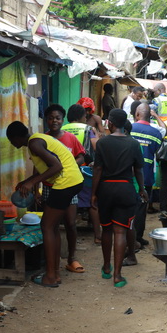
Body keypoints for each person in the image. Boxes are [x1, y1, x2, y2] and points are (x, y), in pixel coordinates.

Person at [6, 121, 83, 287]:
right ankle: (54, 273)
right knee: (52, 227)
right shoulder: (37, 140)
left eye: (11, 140)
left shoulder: (34, 143)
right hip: (72, 181)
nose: (12, 144)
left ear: (17, 137)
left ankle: (50, 276)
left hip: (65, 182)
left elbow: (56, 166)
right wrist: (27, 181)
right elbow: (47, 167)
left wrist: (32, 182)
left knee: (46, 227)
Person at [91, 109, 146, 288]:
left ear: (111, 123)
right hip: (125, 189)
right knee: (120, 232)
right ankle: (117, 275)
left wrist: (93, 193)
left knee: (106, 230)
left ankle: (106, 267)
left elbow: (97, 170)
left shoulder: (102, 143)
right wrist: (142, 189)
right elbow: (138, 170)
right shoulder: (133, 144)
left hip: (106, 190)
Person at [43, 104, 86, 275]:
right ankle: (53, 264)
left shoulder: (70, 138)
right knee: (52, 226)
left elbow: (82, 156)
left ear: (63, 120)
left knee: (70, 223)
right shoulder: (42, 139)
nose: (54, 121)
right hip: (49, 187)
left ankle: (72, 259)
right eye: (51, 118)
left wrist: (69, 167)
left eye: (58, 118)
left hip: (68, 186)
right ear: (47, 120)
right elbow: (37, 165)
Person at [62, 103, 102, 244]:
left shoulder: (61, 129)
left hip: (64, 171)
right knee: (92, 202)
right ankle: (97, 235)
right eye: (85, 116)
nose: (86, 118)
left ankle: (68, 233)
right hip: (84, 170)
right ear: (81, 116)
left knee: (68, 203)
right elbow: (97, 146)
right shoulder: (89, 129)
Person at [130, 102, 163, 221]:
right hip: (147, 174)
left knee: (128, 207)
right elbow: (157, 151)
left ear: (137, 114)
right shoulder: (156, 133)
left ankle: (127, 233)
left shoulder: (129, 129)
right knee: (142, 207)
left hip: (129, 174)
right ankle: (138, 235)